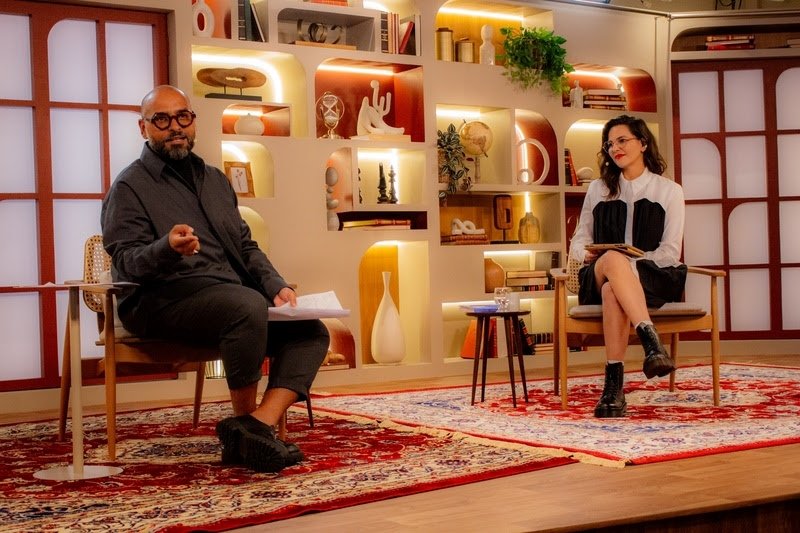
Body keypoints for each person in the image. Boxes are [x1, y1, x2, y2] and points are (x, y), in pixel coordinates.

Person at [101, 85, 329, 472]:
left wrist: (276, 286)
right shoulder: (129, 187)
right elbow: (125, 262)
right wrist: (166, 248)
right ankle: (250, 435)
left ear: (193, 121)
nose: (175, 126)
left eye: (182, 117)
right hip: (161, 300)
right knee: (246, 307)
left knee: (310, 331)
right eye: (161, 119)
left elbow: (246, 246)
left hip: (226, 298)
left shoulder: (215, 180)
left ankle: (253, 428)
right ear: (144, 128)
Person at [568, 115, 686, 418]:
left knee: (613, 290)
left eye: (622, 140)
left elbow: (670, 252)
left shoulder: (669, 191)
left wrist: (631, 263)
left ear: (643, 143)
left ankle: (614, 390)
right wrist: (587, 253)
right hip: (598, 272)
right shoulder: (598, 189)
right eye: (610, 144)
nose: (615, 148)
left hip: (651, 276)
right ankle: (652, 343)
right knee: (611, 260)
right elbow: (579, 240)